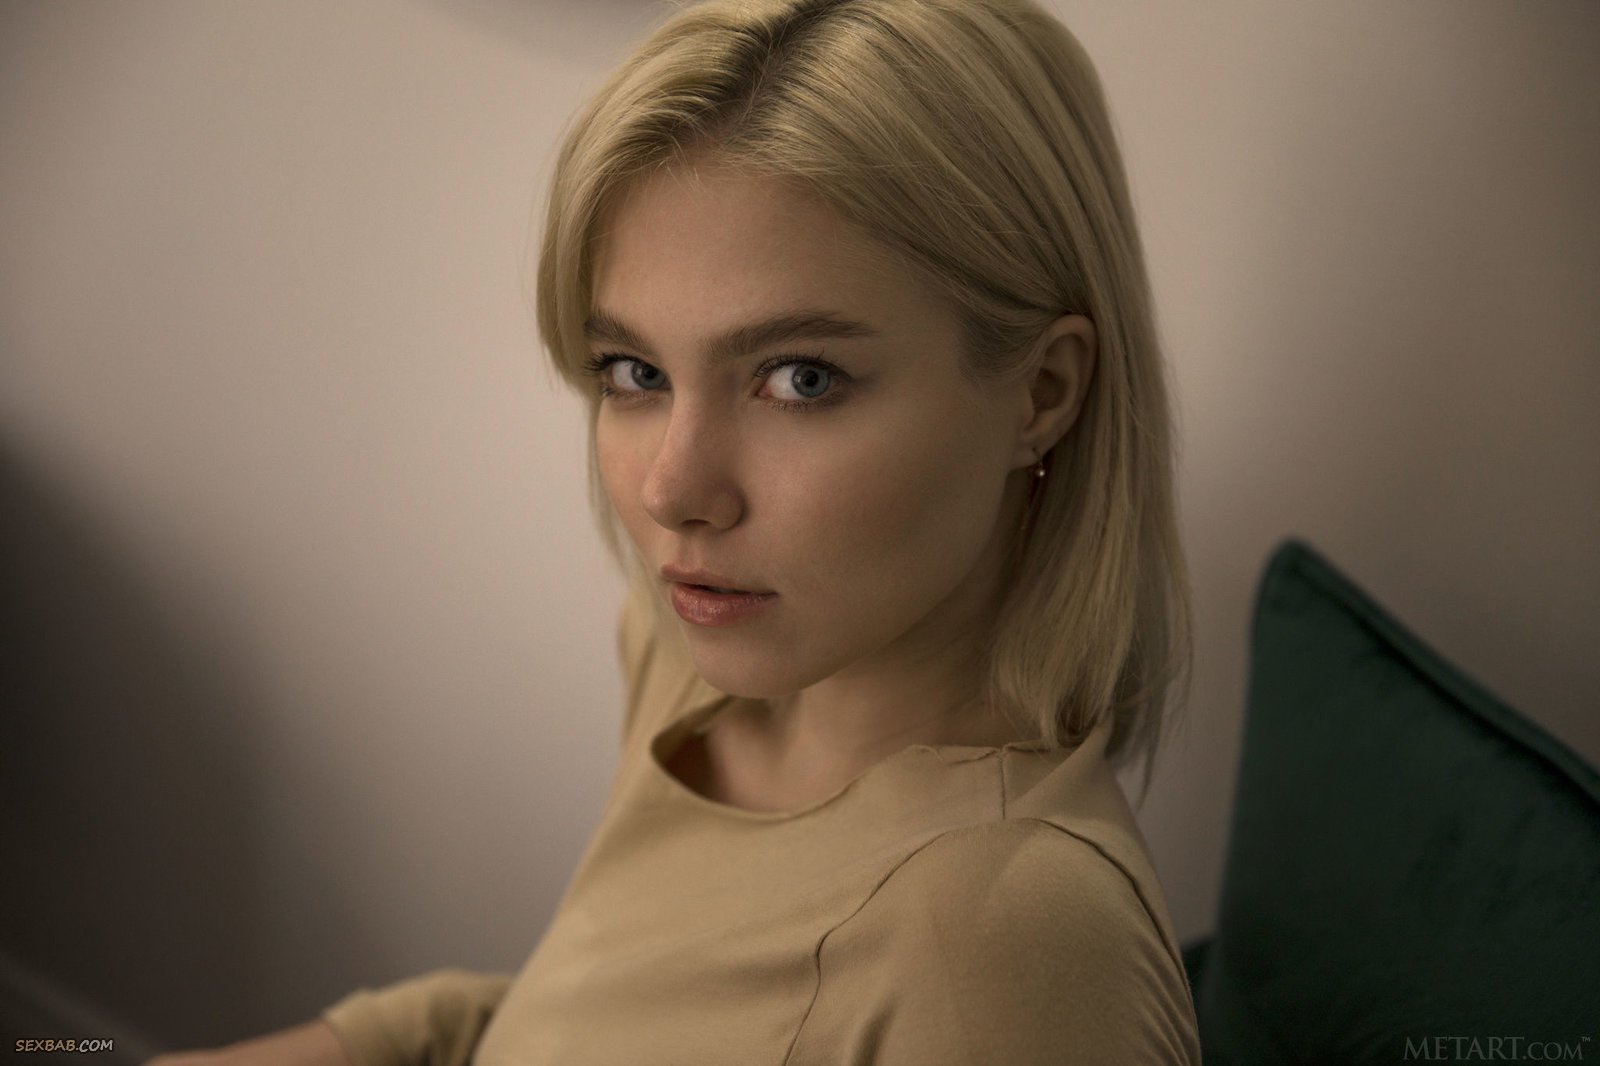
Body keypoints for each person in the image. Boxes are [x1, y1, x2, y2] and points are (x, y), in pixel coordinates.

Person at [148, 0, 1198, 1061]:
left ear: (1041, 393)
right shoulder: (692, 658)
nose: (672, 490)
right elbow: (583, 1024)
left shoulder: (997, 947)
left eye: (801, 378)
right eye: (634, 371)